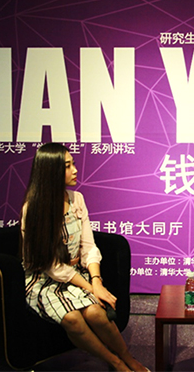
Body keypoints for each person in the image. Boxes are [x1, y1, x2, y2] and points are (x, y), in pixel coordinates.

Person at [20, 143, 148, 372]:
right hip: (44, 281)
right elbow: (52, 267)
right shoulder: (33, 210)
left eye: (73, 164)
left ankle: (128, 357)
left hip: (76, 276)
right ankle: (116, 363)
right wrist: (90, 288)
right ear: (51, 171)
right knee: (72, 319)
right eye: (67, 166)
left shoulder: (77, 199)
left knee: (96, 313)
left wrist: (96, 281)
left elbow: (88, 246)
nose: (75, 170)